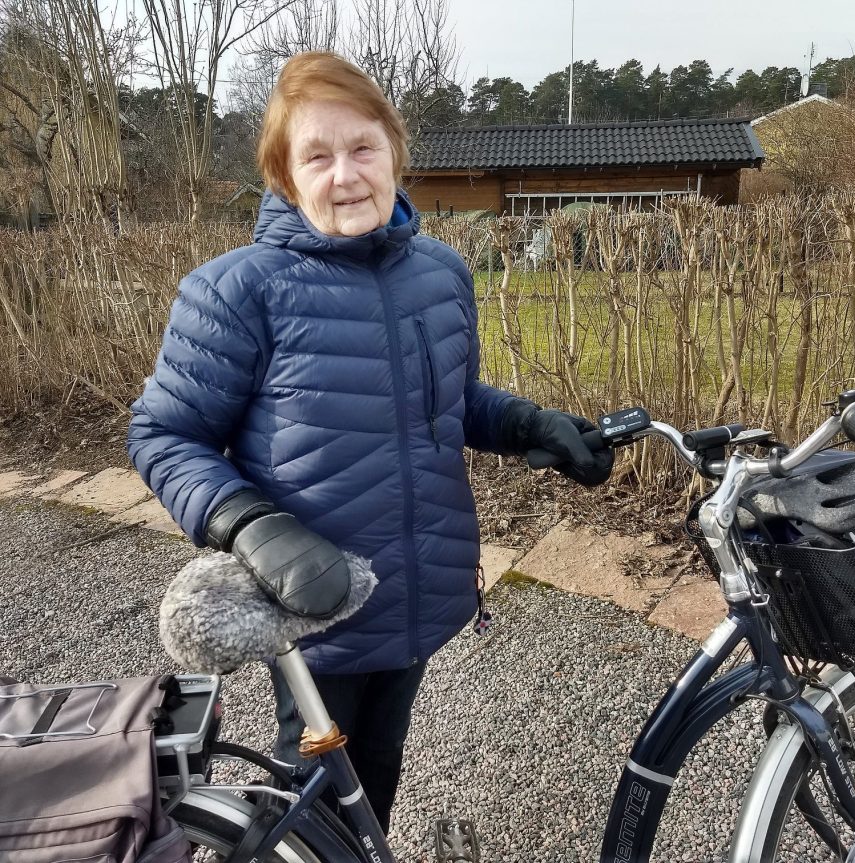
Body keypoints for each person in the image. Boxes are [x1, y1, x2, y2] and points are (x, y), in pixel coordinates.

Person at [127, 51, 613, 834]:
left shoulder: (442, 273)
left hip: (417, 594)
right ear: (285, 176)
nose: (346, 175)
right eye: (317, 156)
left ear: (394, 151)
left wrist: (528, 423)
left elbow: (453, 400)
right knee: (312, 799)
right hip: (315, 605)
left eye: (362, 147)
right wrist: (249, 524)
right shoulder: (236, 292)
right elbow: (163, 432)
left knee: (377, 770)